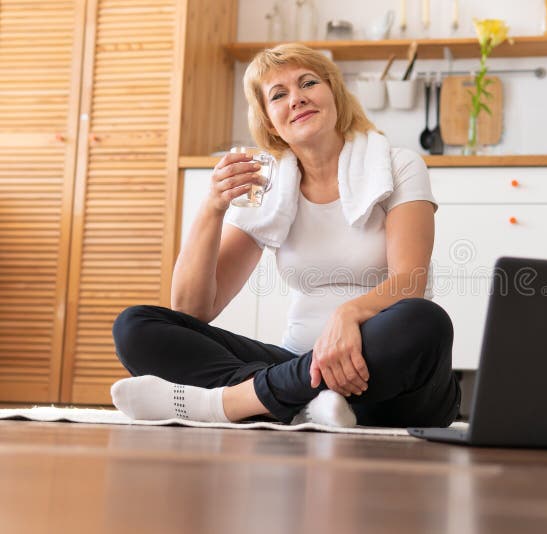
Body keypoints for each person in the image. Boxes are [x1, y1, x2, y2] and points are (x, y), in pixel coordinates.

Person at [109, 44, 461, 428]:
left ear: (334, 94)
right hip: (298, 365)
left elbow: (410, 282)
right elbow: (193, 309)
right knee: (136, 327)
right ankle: (303, 403)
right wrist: (213, 206)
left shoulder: (397, 165)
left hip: (387, 380)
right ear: (268, 120)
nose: (297, 98)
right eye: (279, 94)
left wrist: (349, 314)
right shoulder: (269, 185)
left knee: (424, 321)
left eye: (308, 83)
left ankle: (237, 402)